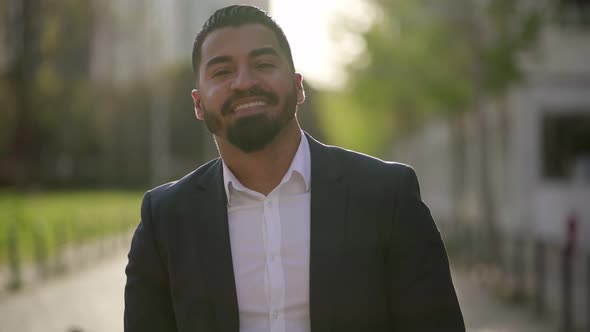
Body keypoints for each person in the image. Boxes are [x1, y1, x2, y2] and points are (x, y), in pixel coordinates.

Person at [124, 5, 465, 332]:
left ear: (298, 86)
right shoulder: (165, 219)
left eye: (263, 63)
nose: (244, 82)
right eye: (223, 71)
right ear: (198, 104)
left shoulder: (387, 197)